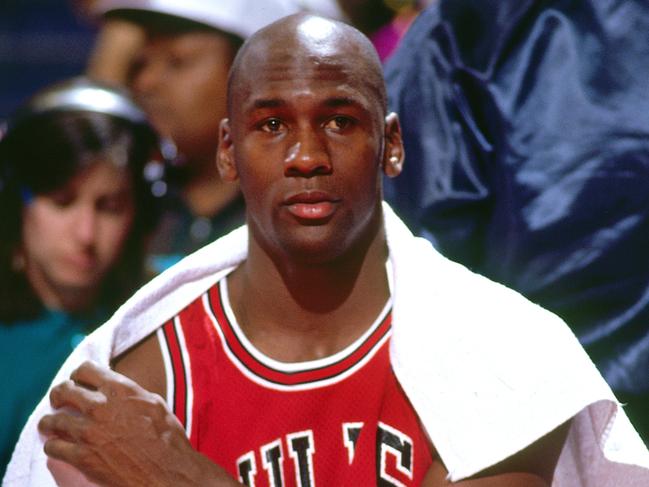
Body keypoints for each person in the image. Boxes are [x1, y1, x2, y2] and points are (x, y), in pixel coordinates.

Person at [5, 13, 649, 487]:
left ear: (392, 144)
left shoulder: (509, 354)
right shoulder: (144, 373)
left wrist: (182, 479)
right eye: (272, 125)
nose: (307, 157)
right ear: (229, 151)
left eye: (340, 121)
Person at [381, 0, 649, 442]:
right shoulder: (463, 32)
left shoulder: (462, 28)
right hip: (542, 411)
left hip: (536, 417)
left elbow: (422, 251)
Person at [0, 76, 163, 477]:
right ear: (14, 204)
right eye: (62, 203)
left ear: (139, 214)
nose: (85, 234)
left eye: (109, 207)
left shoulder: (171, 308)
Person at [89, 0, 301, 271]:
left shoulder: (297, 219)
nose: (145, 82)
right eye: (142, 63)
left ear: (256, 75)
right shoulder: (126, 207)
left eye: (177, 62)